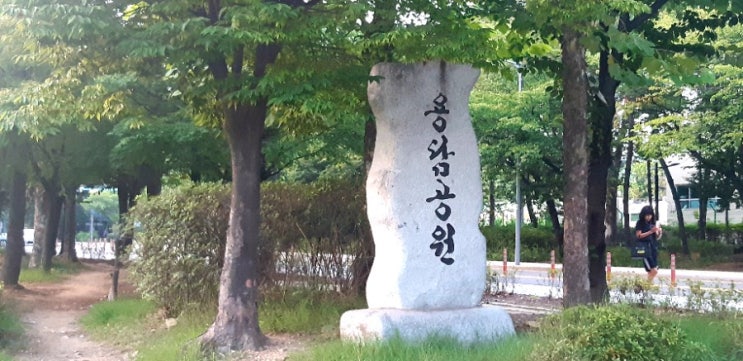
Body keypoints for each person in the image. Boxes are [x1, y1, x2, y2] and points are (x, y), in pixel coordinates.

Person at [635, 205, 662, 282]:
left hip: (653, 248)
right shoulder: (640, 223)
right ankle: (643, 287)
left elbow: (656, 237)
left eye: (650, 215)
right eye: (647, 215)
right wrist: (651, 231)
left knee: (652, 271)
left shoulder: (652, 223)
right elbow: (639, 235)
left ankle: (645, 288)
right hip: (645, 249)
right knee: (654, 270)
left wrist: (659, 232)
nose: (648, 217)